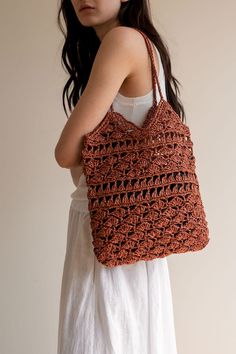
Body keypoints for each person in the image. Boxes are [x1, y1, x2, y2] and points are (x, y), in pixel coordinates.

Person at [54, 1, 185, 353]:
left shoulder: (121, 41)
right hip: (134, 234)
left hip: (106, 230)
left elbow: (65, 153)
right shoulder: (140, 44)